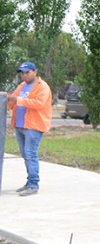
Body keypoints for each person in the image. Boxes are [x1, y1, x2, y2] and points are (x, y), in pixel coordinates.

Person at [3, 62, 53, 197]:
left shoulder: (42, 87)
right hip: (20, 125)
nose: (24, 75)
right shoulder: (22, 86)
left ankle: (33, 184)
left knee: (30, 154)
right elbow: (12, 102)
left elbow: (39, 103)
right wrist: (5, 98)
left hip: (33, 126)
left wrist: (17, 99)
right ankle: (29, 182)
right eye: (22, 73)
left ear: (35, 72)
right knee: (26, 155)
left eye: (27, 72)